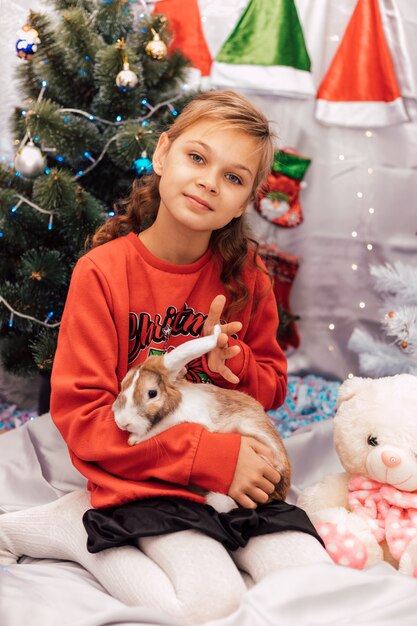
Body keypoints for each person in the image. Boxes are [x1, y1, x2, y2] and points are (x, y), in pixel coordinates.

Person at [0, 90, 331, 624]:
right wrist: (210, 459)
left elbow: (271, 388)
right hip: (144, 481)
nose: (208, 182)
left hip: (234, 483)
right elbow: (85, 420)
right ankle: (77, 529)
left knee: (313, 587)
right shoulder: (103, 273)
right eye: (197, 158)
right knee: (208, 603)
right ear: (162, 153)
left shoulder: (247, 273)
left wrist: (239, 366)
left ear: (246, 199)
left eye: (234, 177)